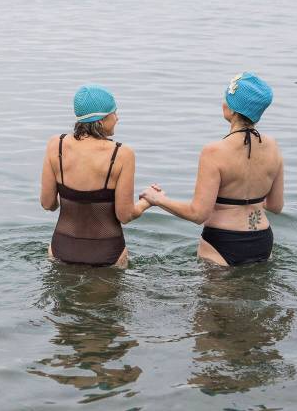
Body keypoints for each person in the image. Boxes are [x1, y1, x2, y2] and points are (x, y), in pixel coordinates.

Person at [141, 72, 283, 266]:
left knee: (215, 297)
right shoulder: (273, 146)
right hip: (262, 240)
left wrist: (157, 199)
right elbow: (276, 206)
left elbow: (198, 214)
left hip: (223, 242)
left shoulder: (214, 151)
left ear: (232, 110)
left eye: (227, 98)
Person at [40, 84, 150, 268]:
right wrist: (148, 202)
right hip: (107, 254)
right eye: (114, 113)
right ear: (100, 121)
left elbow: (47, 204)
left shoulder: (55, 145)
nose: (117, 118)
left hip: (61, 250)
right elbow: (124, 215)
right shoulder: (122, 154)